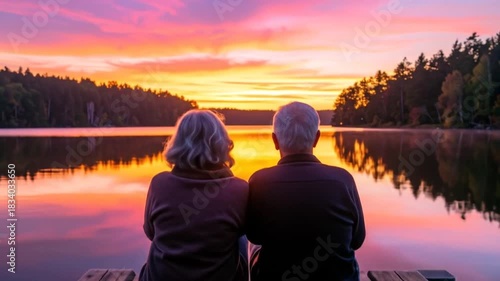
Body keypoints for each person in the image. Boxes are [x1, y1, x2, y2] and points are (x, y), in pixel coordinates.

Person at [247, 102, 366, 281]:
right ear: (317, 138)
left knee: (251, 246)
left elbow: (255, 236)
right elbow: (357, 240)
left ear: (275, 140)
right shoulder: (342, 180)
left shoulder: (259, 181)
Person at [139, 110, 249, 281]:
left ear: (178, 143)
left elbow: (150, 232)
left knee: (161, 238)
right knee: (241, 236)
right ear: (222, 143)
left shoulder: (159, 184)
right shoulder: (239, 188)